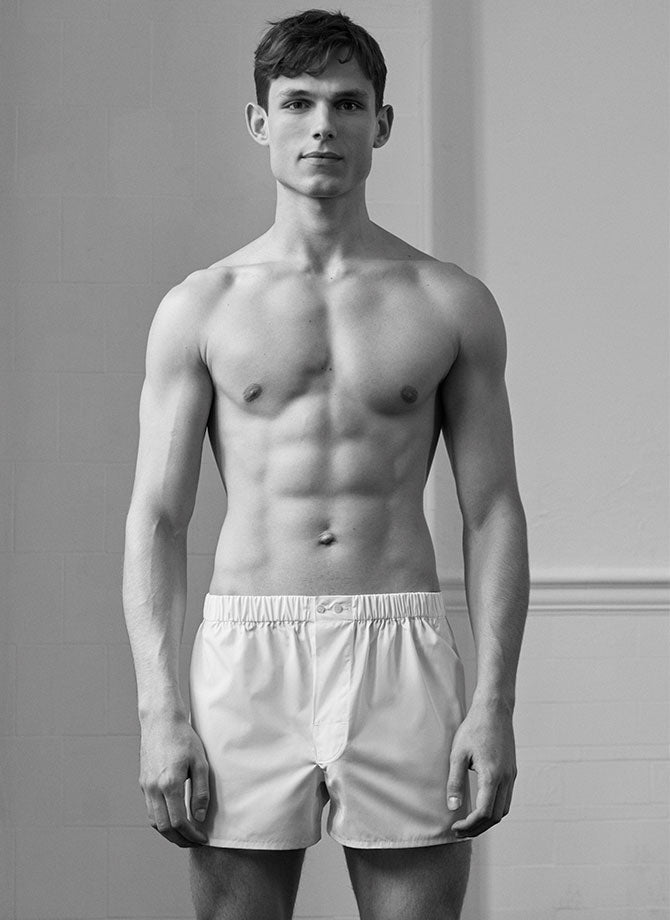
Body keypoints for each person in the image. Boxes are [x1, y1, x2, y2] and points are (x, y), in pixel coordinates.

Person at [123, 9, 529, 920]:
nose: (322, 125)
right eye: (298, 102)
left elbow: (494, 510)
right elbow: (157, 517)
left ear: (381, 124)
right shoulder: (201, 307)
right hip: (247, 649)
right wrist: (159, 712)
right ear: (259, 121)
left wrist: (494, 702)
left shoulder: (449, 301)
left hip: (400, 645)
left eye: (347, 104)